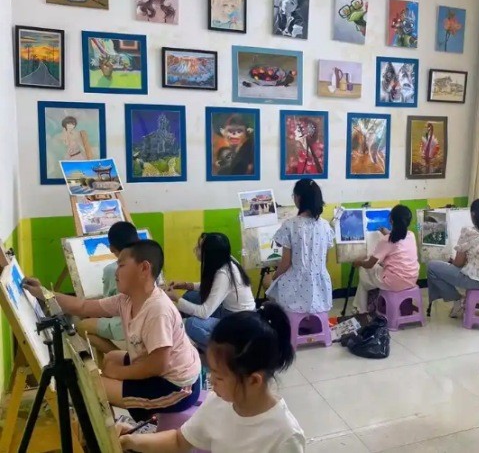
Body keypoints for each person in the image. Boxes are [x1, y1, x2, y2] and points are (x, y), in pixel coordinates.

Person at [23, 240, 201, 420]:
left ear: (144, 268)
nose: (116, 272)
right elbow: (82, 307)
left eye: (121, 265)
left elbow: (158, 365)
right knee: (110, 358)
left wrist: (118, 373)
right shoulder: (126, 299)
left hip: (177, 388)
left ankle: (111, 426)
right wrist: (43, 293)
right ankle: (119, 399)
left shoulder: (157, 310)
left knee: (92, 387)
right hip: (166, 366)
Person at [117, 302, 305, 453]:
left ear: (254, 380)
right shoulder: (218, 402)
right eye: (211, 372)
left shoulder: (285, 435)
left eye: (219, 377)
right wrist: (132, 441)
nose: (211, 382)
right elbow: (179, 441)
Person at [167, 233, 256, 350]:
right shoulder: (225, 260)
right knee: (190, 296)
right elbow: (215, 286)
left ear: (210, 253)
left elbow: (204, 312)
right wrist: (186, 285)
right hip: (229, 311)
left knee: (191, 324)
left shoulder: (225, 274)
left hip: (239, 322)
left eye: (200, 247)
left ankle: (228, 350)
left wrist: (176, 298)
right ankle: (172, 327)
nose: (196, 250)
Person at [427, 199, 479, 318]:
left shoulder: (469, 232)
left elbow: (458, 263)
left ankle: (457, 300)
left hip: (476, 282)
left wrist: (452, 261)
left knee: (432, 267)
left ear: (473, 214)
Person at [266, 179, 334, 314]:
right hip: (321, 287)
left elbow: (285, 264)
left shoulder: (290, 225)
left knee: (268, 284)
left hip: (295, 287)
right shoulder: (325, 226)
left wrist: (274, 276)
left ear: (298, 198)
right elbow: (325, 260)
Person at [76, 222, 139, 355]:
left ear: (111, 248)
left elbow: (107, 309)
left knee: (82, 326)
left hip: (125, 323)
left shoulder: (112, 269)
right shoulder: (149, 261)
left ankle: (123, 357)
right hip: (146, 318)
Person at [352, 205, 420, 314]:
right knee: (376, 269)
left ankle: (362, 309)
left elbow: (369, 264)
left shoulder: (386, 240)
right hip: (412, 279)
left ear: (391, 220)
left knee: (364, 270)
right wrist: (387, 233)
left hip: (394, 282)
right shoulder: (411, 235)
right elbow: (398, 240)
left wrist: (359, 263)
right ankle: (360, 306)